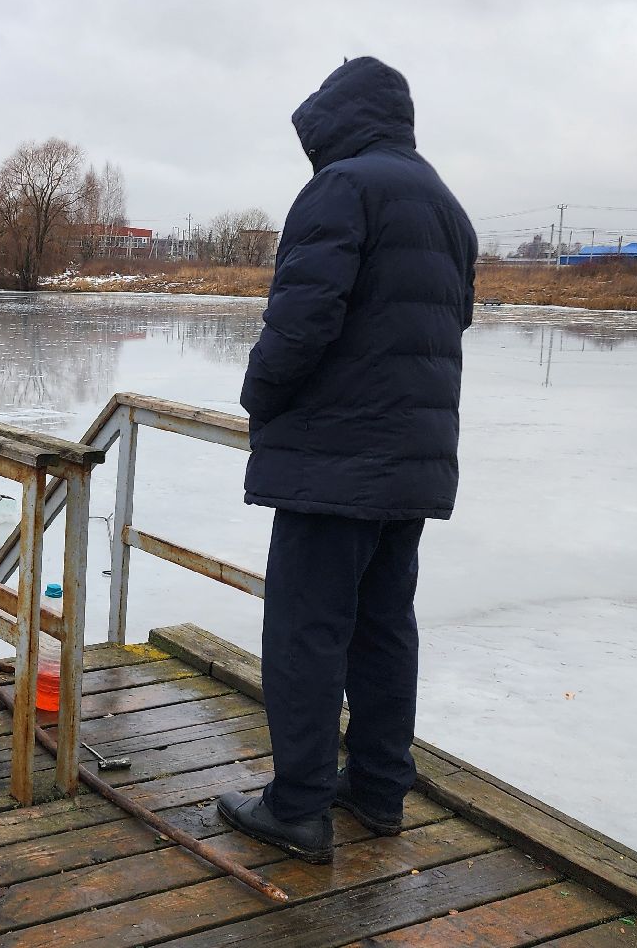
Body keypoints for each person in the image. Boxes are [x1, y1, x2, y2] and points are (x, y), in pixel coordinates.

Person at [215, 57, 478, 864]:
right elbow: (448, 323)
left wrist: (259, 395)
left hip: (335, 461)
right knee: (384, 628)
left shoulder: (343, 188)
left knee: (306, 632)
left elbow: (303, 319)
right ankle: (376, 789)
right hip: (410, 461)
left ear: (336, 122)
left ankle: (296, 808)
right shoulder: (445, 204)